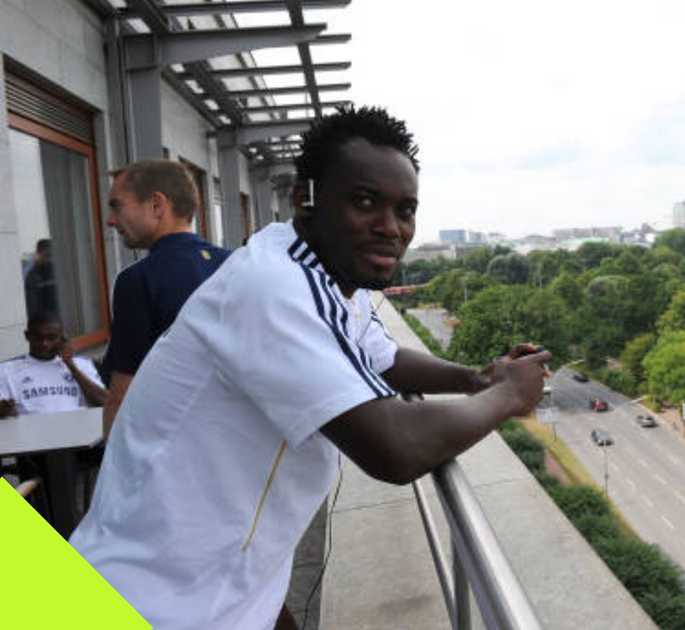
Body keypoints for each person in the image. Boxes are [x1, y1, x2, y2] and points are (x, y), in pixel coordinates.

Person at [70, 105, 550, 630]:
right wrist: (507, 396)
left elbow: (383, 357)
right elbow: (395, 450)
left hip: (212, 591)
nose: (391, 228)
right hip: (139, 604)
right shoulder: (273, 287)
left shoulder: (325, 277)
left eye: (405, 210)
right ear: (306, 199)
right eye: (364, 201)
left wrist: (474, 378)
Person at [100, 160, 230, 435]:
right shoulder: (235, 266)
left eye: (117, 205)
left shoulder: (137, 281)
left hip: (172, 449)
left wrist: (114, 464)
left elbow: (122, 396)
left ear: (157, 205)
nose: (110, 220)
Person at [0, 312, 107, 419]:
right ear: (27, 336)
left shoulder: (82, 365)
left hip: (76, 431)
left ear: (62, 338)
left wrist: (70, 365)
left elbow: (104, 401)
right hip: (32, 433)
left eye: (51, 338)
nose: (44, 343)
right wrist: (4, 412)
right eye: (38, 338)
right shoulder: (7, 370)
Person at [23, 238, 57, 320]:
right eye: (47, 255)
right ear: (38, 254)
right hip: (44, 323)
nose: (50, 259)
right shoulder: (32, 275)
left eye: (52, 255)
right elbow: (32, 307)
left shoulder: (55, 271)